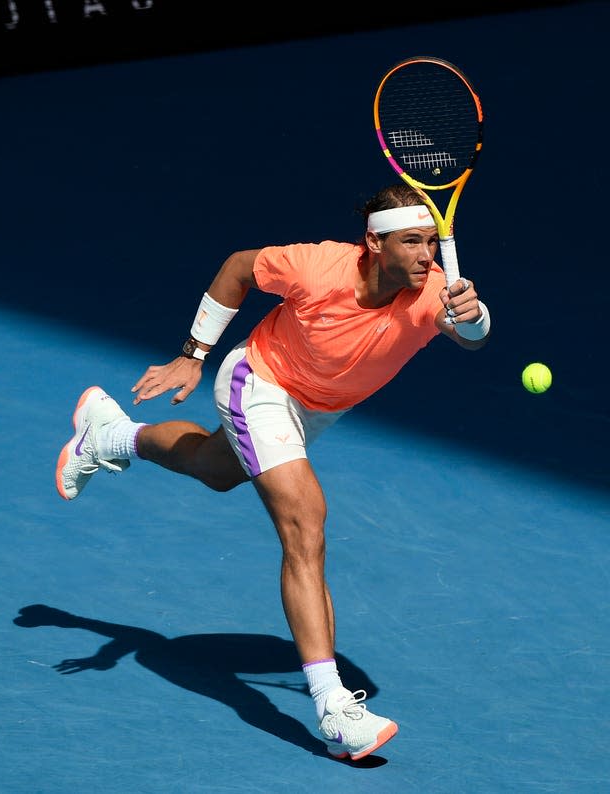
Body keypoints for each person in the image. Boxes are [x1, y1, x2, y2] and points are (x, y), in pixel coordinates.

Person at [55, 183, 491, 761]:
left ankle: (108, 434)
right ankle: (334, 710)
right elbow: (238, 268)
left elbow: (470, 334)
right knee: (305, 523)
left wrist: (477, 315)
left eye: (430, 242)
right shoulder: (317, 266)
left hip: (320, 408)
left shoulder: (434, 289)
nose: (425, 255)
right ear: (373, 241)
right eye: (411, 241)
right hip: (262, 383)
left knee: (213, 468)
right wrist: (193, 352)